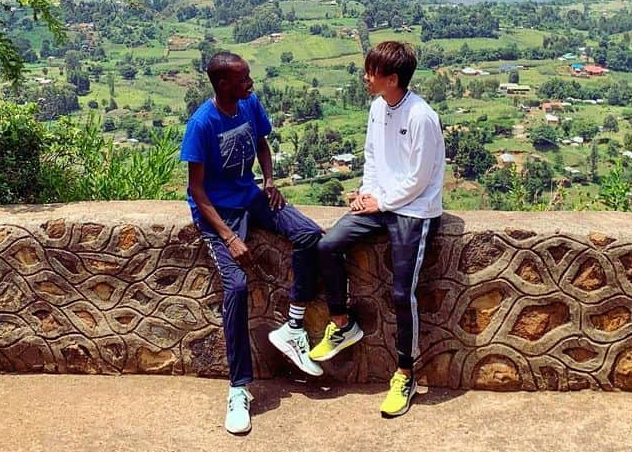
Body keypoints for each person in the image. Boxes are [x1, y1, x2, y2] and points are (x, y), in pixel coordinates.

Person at [181, 51, 323, 435]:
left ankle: (293, 328)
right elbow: (196, 190)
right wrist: (227, 236)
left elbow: (262, 144)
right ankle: (239, 388)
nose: (251, 83)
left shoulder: (250, 104)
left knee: (309, 235)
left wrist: (270, 181)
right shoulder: (201, 124)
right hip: (219, 216)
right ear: (223, 83)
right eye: (244, 78)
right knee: (238, 286)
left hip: (252, 196)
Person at [309, 41, 445, 418]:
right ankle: (342, 322)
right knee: (327, 246)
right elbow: (372, 156)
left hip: (414, 211)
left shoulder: (421, 117)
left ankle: (405, 373)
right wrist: (367, 193)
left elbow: (419, 178)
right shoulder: (377, 108)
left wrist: (381, 202)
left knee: (403, 293)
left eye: (372, 72)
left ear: (393, 78)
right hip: (381, 203)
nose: (366, 78)